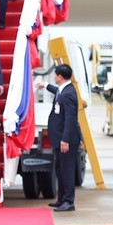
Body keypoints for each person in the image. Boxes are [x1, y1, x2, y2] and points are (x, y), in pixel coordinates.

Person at [42, 63, 82, 212]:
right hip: (59, 139)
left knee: (67, 171)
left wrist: (65, 139)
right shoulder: (63, 89)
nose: (53, 78)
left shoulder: (69, 94)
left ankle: (68, 201)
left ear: (59, 77)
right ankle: (61, 199)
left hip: (67, 141)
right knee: (59, 169)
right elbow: (56, 91)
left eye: (54, 76)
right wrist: (45, 85)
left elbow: (71, 119)